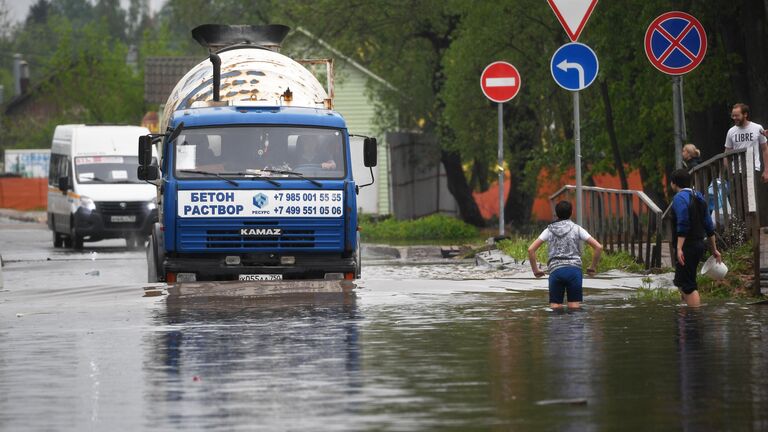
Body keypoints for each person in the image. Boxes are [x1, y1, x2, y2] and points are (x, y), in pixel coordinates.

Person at [528, 201, 603, 310]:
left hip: (556, 271)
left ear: (556, 214)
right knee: (574, 308)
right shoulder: (577, 228)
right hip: (574, 271)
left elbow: (531, 249)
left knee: (555, 307)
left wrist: (535, 270)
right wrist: (592, 267)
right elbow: (598, 247)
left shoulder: (549, 230)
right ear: (571, 212)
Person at [669, 169, 722, 307]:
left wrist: (679, 248)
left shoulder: (679, 198)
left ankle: (694, 317)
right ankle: (685, 315)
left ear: (674, 184)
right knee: (680, 281)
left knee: (688, 285)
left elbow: (683, 222)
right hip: (698, 244)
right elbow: (709, 226)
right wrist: (714, 249)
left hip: (688, 246)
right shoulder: (698, 196)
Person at [724, 103, 768, 224]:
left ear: (745, 114)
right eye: (733, 115)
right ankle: (743, 229)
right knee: (738, 201)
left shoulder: (757, 128)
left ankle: (755, 227)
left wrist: (766, 170)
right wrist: (726, 172)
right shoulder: (731, 131)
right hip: (735, 170)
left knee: (752, 200)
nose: (734, 118)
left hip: (753, 167)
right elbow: (726, 153)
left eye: (737, 115)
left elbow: (765, 149)